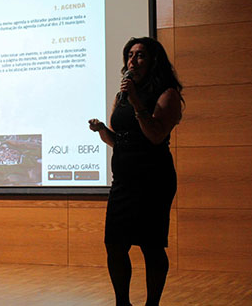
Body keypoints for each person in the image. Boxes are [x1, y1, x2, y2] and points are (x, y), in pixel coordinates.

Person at [88, 37, 184, 306]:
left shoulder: (167, 94)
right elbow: (119, 139)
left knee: (151, 246)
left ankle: (152, 303)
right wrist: (102, 131)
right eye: (129, 55)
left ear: (154, 61)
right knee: (115, 245)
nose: (133, 61)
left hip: (153, 180)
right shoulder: (121, 96)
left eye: (140, 55)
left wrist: (136, 101)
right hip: (124, 182)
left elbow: (155, 135)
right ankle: (123, 303)